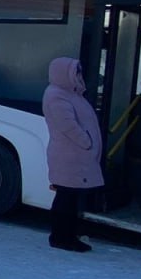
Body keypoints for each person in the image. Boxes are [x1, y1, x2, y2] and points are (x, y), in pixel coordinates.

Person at [42, 56, 102, 252]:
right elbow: (67, 124)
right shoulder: (57, 95)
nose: (78, 75)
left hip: (75, 156)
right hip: (69, 156)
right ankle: (61, 237)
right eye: (75, 71)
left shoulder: (69, 93)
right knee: (66, 197)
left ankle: (67, 234)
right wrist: (86, 142)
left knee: (70, 196)